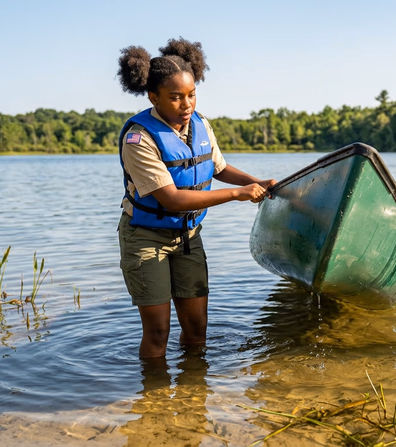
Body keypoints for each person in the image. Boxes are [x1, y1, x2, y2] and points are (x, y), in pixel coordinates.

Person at [116, 38, 276, 358]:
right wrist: (237, 194)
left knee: (196, 329)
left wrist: (258, 182)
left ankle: (194, 396)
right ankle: (155, 398)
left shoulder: (200, 123)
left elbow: (219, 167)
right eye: (175, 98)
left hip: (189, 236)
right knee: (159, 331)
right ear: (153, 96)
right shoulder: (139, 138)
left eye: (191, 95)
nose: (186, 104)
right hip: (147, 239)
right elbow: (171, 200)